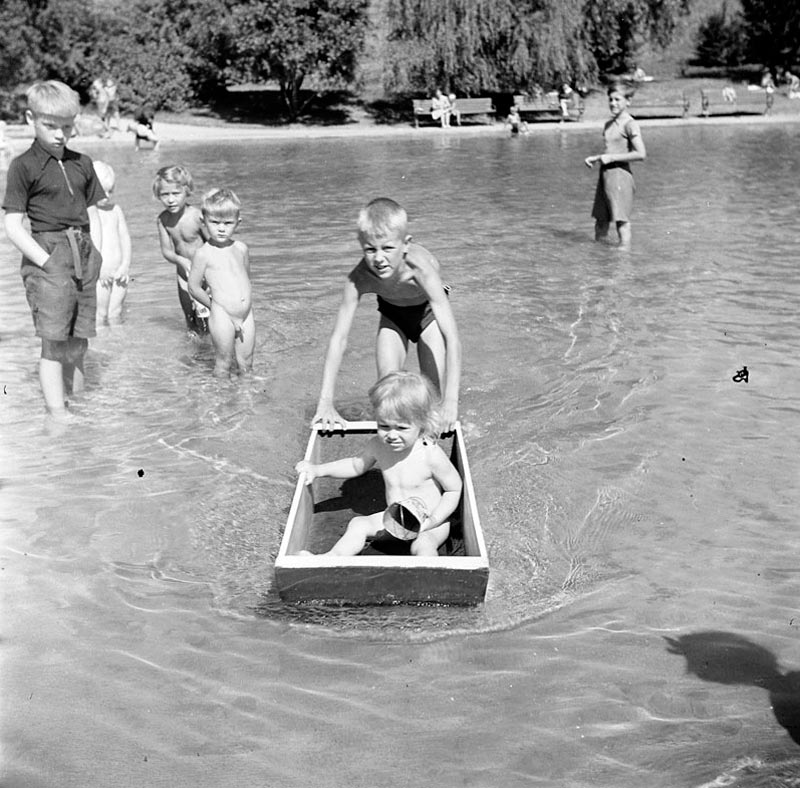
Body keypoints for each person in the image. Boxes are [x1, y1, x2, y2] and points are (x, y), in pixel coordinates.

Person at [2, 81, 105, 420]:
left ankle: (81, 407)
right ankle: (58, 417)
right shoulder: (23, 166)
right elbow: (13, 225)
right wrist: (46, 261)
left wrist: (98, 256)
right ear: (31, 118)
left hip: (84, 253)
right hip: (46, 252)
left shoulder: (83, 162)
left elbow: (93, 213)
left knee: (79, 342)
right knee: (52, 344)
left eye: (67, 126)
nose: (61, 134)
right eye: (51, 126)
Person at [312, 197, 461, 433]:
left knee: (432, 400)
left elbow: (452, 338)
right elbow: (338, 339)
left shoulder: (421, 270)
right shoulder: (359, 278)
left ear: (405, 244)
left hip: (428, 313)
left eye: (388, 248)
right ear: (361, 245)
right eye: (370, 249)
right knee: (387, 395)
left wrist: (451, 403)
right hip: (392, 313)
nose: (379, 259)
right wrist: (326, 402)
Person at [296, 370, 462, 557]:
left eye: (401, 428)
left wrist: (434, 519)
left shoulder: (430, 454)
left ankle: (430, 574)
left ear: (422, 424)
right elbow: (355, 465)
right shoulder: (378, 445)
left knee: (423, 545)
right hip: (394, 519)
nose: (391, 435)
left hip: (429, 524)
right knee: (358, 525)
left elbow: (454, 489)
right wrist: (317, 470)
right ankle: (331, 558)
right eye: (384, 426)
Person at [188, 188, 255, 376]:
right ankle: (220, 403)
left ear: (238, 222)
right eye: (215, 222)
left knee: (247, 363)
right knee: (224, 363)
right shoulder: (203, 253)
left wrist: (243, 304)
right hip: (222, 315)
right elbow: (193, 287)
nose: (221, 228)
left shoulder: (241, 248)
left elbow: (246, 278)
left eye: (228, 223)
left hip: (246, 313)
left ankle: (247, 402)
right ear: (204, 221)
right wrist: (216, 307)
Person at [584, 82, 646, 250]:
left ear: (628, 101)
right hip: (605, 177)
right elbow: (610, 149)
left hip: (620, 177)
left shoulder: (630, 124)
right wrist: (596, 157)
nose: (613, 103)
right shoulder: (608, 125)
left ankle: (623, 260)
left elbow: (641, 154)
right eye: (610, 100)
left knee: (621, 222)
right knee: (600, 222)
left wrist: (611, 158)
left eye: (617, 99)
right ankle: (601, 258)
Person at [153, 165, 209, 333]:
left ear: (187, 191)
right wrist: (181, 260)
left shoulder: (197, 216)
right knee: (189, 318)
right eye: (165, 194)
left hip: (205, 274)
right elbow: (167, 251)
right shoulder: (163, 220)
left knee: (206, 317)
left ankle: (209, 351)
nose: (171, 200)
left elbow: (212, 244)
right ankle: (194, 350)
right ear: (158, 195)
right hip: (183, 275)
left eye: (176, 194)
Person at [93, 161, 132, 325]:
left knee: (115, 312)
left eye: (110, 191)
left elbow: (125, 239)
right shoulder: (89, 213)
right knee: (99, 315)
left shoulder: (115, 210)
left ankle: (118, 346)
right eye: (102, 191)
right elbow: (90, 245)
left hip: (119, 273)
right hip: (99, 275)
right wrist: (98, 270)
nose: (107, 196)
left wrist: (125, 265)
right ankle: (102, 346)